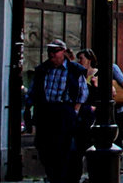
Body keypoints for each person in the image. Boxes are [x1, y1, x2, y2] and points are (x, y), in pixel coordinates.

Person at [27, 40, 87, 183]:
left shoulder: (74, 70)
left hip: (64, 111)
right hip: (45, 110)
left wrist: (75, 110)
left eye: (55, 51)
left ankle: (60, 176)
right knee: (43, 145)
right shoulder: (43, 69)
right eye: (50, 51)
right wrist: (30, 106)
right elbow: (33, 90)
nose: (52, 54)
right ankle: (52, 173)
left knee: (63, 146)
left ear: (63, 52)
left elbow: (82, 92)